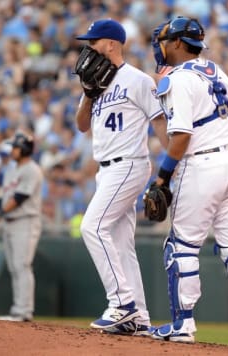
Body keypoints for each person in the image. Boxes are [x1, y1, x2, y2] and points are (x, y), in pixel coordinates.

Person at [148, 17, 228, 350]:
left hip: (201, 163)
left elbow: (182, 136)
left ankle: (182, 324)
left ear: (176, 43)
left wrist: (163, 176)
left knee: (182, 246)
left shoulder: (178, 79)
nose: (159, 46)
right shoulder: (216, 71)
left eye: (163, 40)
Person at [74, 19, 168, 335]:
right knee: (121, 243)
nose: (89, 47)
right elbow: (81, 125)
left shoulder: (137, 80)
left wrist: (173, 165)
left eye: (94, 41)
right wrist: (88, 94)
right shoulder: (95, 80)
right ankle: (139, 315)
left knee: (92, 226)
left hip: (129, 163)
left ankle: (122, 304)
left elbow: (159, 123)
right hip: (106, 169)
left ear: (112, 43)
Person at [0, 132, 43, 322]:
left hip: (26, 220)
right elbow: (3, 197)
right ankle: (18, 310)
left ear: (24, 149)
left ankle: (24, 311)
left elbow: (19, 198)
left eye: (15, 147)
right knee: (15, 267)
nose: (12, 150)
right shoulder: (10, 169)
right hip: (10, 222)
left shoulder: (32, 169)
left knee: (22, 265)